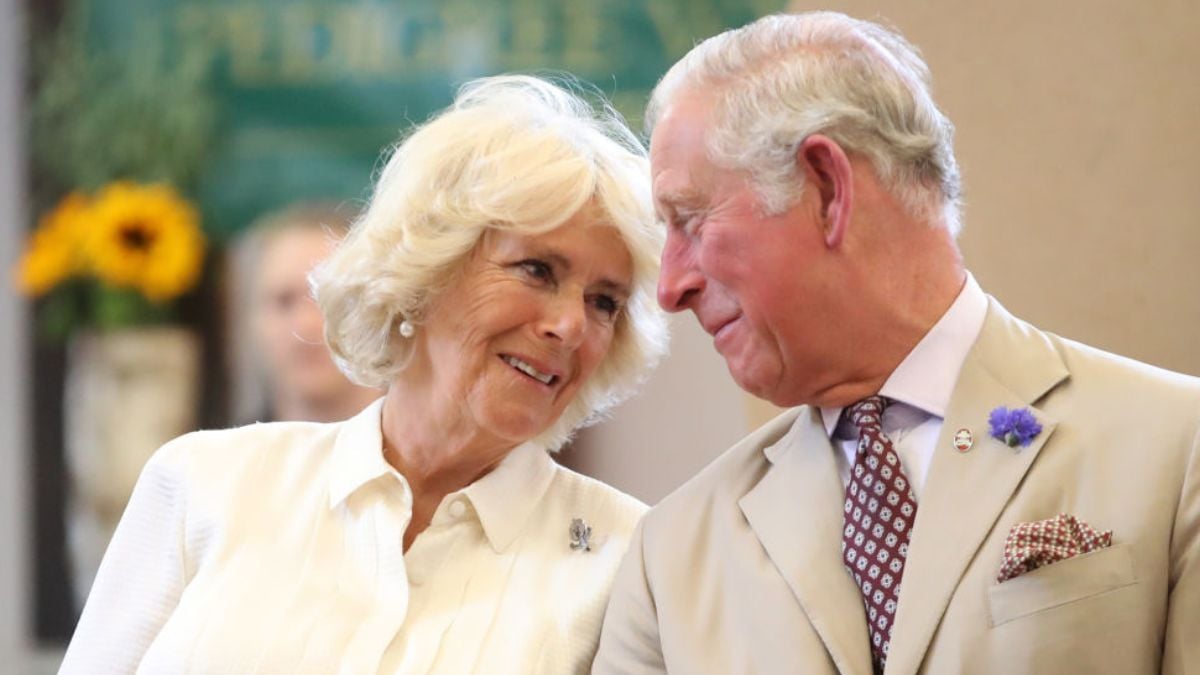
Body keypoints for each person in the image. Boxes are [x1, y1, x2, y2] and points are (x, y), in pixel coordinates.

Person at [593, 11, 1198, 675]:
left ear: (827, 187)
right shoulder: (670, 554)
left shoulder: (1177, 448)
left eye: (690, 220)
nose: (671, 287)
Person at [60, 74, 668, 674]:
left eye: (604, 302)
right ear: (428, 271)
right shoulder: (206, 481)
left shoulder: (627, 556)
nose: (571, 324)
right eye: (536, 269)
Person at [227, 202, 380, 424]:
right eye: (284, 301)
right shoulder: (221, 456)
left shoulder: (432, 456)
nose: (306, 324)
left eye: (328, 300)